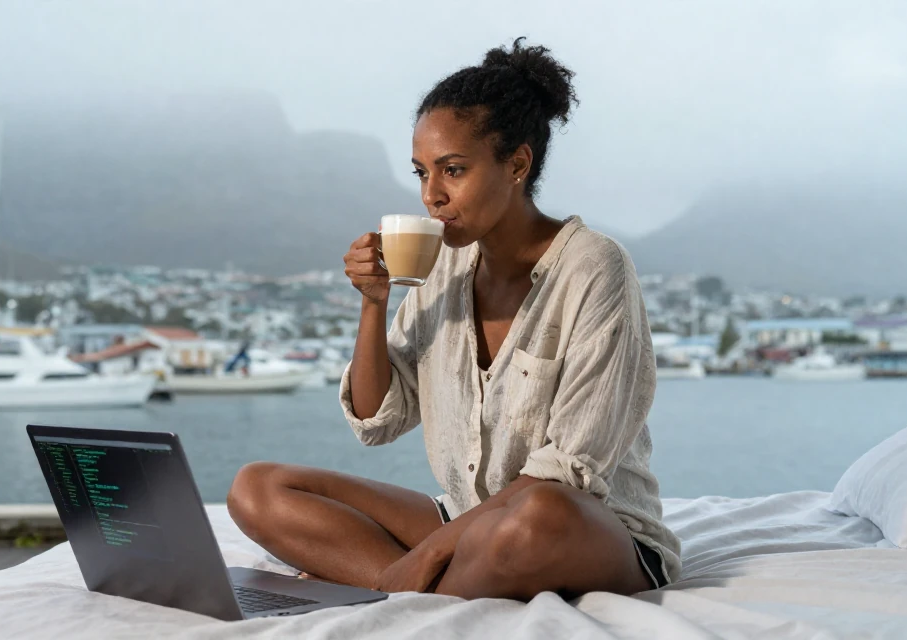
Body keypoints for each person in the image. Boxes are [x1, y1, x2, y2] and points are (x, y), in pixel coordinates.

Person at [227, 38, 680, 601]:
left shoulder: (595, 268)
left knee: (540, 512)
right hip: (466, 519)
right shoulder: (441, 266)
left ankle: (405, 595)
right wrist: (374, 301)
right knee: (258, 487)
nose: (431, 196)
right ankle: (415, 590)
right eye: (421, 173)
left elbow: (568, 474)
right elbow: (376, 419)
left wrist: (429, 552)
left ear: (517, 163)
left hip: (589, 528)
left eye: (453, 170)